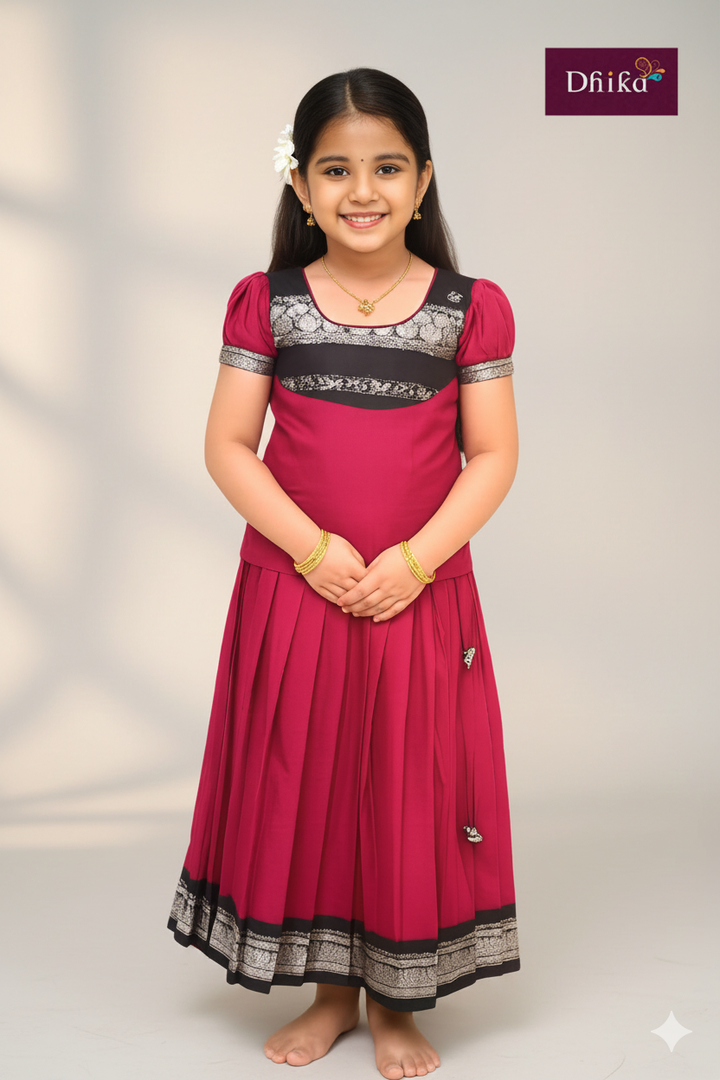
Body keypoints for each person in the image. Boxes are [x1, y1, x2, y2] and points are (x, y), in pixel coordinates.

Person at [168, 67, 520, 1079]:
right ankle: (332, 995)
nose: (360, 190)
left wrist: (413, 562)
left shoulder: (468, 311)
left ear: (422, 182)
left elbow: (492, 456)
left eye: (385, 168)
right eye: (335, 170)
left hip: (419, 592)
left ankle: (400, 1004)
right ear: (301, 184)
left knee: (407, 784)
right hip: (298, 590)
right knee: (317, 778)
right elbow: (230, 446)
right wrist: (317, 553)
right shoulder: (268, 302)